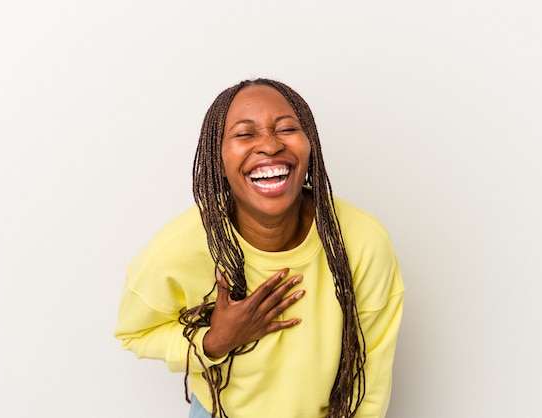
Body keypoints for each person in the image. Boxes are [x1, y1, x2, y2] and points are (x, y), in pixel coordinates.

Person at [114, 78, 404, 418]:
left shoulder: (362, 240)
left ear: (310, 148)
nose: (269, 145)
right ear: (218, 161)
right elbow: (135, 333)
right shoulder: (179, 248)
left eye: (286, 129)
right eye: (244, 134)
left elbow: (370, 371)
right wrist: (215, 340)